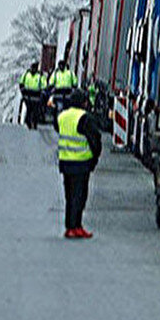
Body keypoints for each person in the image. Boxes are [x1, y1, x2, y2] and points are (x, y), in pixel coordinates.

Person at [57, 89, 102, 239]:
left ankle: (71, 226)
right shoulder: (84, 118)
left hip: (65, 162)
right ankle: (75, 227)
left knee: (70, 196)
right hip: (81, 163)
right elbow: (95, 139)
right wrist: (94, 159)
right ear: (83, 102)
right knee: (79, 196)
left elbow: (58, 129)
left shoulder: (62, 116)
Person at [19, 62, 45, 130]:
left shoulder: (40, 76)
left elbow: (44, 85)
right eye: (33, 67)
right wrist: (23, 93)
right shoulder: (26, 74)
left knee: (35, 111)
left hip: (36, 97)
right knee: (29, 110)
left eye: (35, 68)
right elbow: (21, 83)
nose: (33, 69)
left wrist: (42, 94)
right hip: (28, 97)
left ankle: (34, 123)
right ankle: (28, 122)